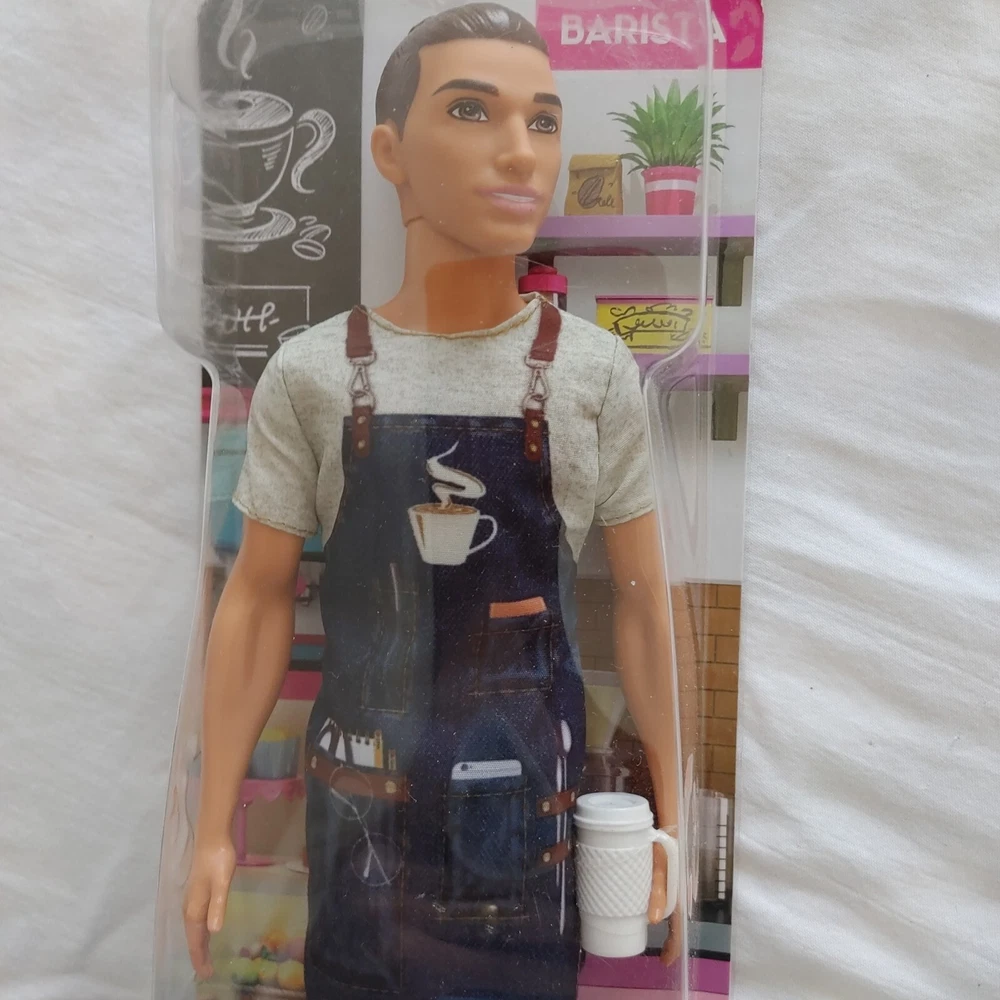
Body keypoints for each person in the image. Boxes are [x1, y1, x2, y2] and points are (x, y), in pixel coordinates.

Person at [183, 5, 681, 998]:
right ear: (389, 153)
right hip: (361, 808)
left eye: (543, 120)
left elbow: (642, 603)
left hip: (523, 814)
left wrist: (674, 813)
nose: (520, 151)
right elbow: (257, 597)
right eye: (470, 110)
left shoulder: (593, 375)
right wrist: (208, 826)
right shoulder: (312, 372)